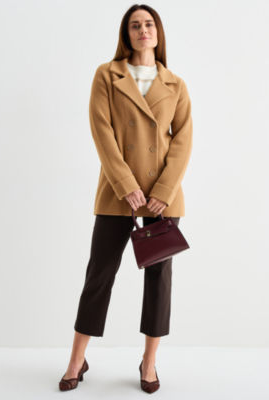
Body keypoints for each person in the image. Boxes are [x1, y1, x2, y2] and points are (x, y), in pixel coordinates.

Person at [59, 4, 193, 394]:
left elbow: (183, 141)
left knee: (159, 280)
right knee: (99, 274)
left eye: (149, 24)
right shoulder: (107, 74)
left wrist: (163, 191)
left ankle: (149, 362)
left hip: (162, 198)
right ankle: (77, 359)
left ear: (158, 32)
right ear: (126, 34)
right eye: (135, 25)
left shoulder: (175, 84)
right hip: (118, 194)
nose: (142, 30)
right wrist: (126, 185)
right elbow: (101, 132)